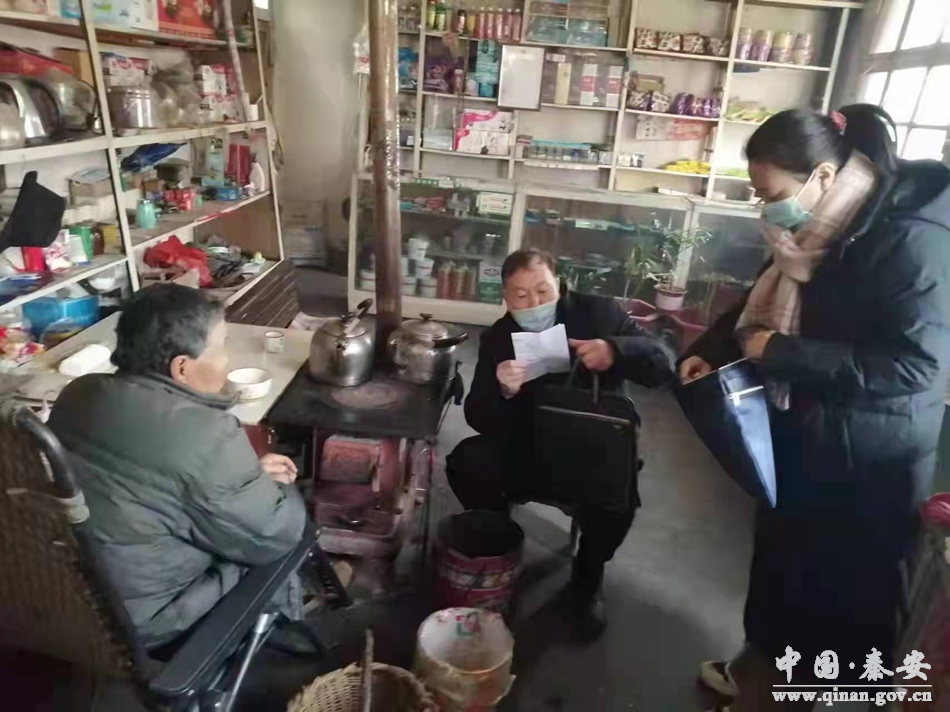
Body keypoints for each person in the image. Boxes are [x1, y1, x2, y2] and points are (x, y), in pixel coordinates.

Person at [681, 106, 950, 709]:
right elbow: (761, 296)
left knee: (845, 598)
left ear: (823, 177)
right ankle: (762, 675)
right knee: (781, 569)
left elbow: (916, 367)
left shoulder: (910, 238)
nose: (764, 208)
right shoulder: (814, 230)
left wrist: (780, 352)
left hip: (867, 456)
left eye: (771, 194)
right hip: (800, 429)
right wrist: (711, 348)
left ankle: (815, 695)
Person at [48, 284, 307, 646]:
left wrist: (243, 478)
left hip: (65, 599)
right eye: (221, 348)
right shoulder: (206, 435)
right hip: (147, 621)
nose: (226, 361)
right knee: (282, 543)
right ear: (182, 367)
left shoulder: (79, 392)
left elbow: (157, 481)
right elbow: (274, 536)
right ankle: (284, 635)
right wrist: (277, 487)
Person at [447, 248, 675, 639]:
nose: (533, 303)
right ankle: (499, 539)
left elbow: (663, 363)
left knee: (618, 501)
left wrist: (615, 349)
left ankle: (589, 574)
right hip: (528, 446)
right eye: (521, 296)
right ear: (505, 297)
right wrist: (503, 389)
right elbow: (476, 416)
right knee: (467, 463)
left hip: (592, 447)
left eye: (542, 291)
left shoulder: (599, 313)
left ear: (560, 284)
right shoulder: (500, 337)